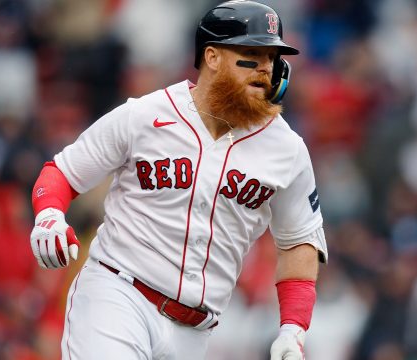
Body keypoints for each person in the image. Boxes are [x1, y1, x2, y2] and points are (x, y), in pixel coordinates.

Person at [29, 1, 327, 359]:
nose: (266, 68)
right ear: (213, 57)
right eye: (252, 53)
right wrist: (49, 215)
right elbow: (63, 172)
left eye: (272, 57)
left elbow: (298, 242)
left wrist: (293, 329)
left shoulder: (287, 150)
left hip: (196, 332)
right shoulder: (144, 115)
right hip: (119, 296)